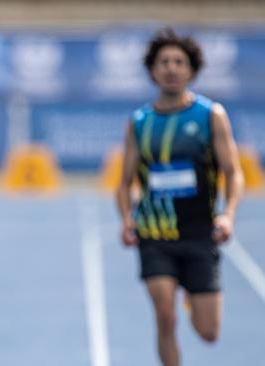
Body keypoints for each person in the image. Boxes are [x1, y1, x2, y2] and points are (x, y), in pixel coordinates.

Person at [116, 28, 244, 366]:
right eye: (164, 62)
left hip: (201, 232)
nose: (171, 68)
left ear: (191, 69)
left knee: (208, 332)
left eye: (179, 62)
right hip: (155, 234)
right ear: (153, 70)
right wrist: (127, 219)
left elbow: (233, 172)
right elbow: (124, 181)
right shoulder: (140, 121)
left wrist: (228, 214)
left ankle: (190, 291)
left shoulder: (209, 115)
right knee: (165, 318)